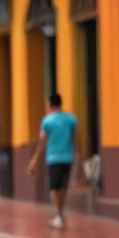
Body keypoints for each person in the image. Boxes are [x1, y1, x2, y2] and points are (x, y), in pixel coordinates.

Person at [27, 93, 80, 229]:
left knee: (54, 188)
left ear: (50, 105)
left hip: (53, 158)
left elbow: (42, 142)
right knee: (62, 187)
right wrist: (78, 156)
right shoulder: (71, 119)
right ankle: (60, 214)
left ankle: (58, 214)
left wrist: (34, 160)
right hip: (68, 158)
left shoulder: (47, 121)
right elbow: (77, 139)